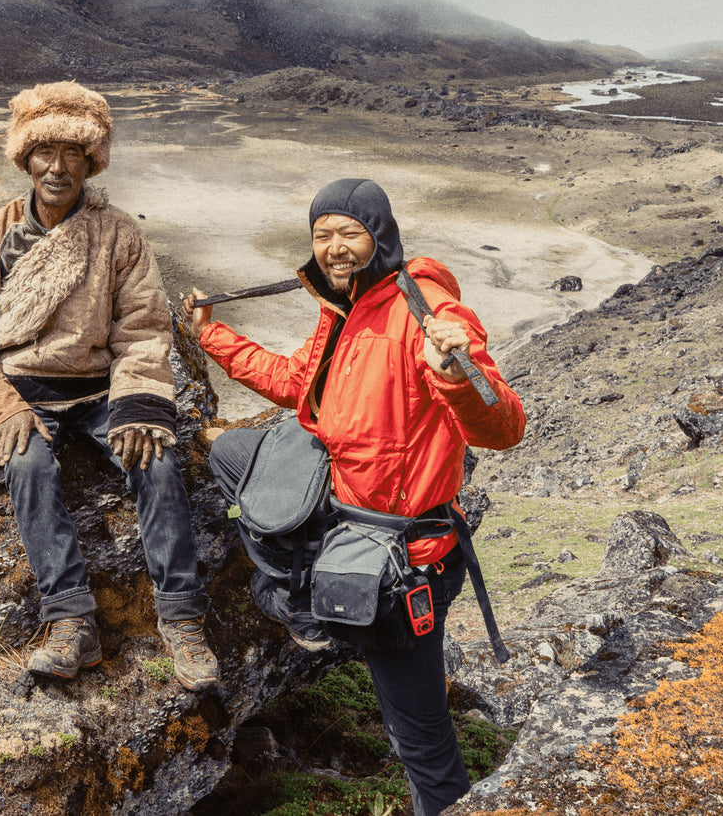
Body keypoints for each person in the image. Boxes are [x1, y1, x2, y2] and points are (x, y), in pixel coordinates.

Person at [186, 178, 525, 815]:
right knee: (234, 455)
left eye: (350, 232)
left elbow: (503, 427)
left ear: (382, 234)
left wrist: (453, 374)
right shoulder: (341, 306)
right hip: (342, 506)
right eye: (323, 235)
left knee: (418, 739)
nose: (335, 247)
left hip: (403, 551)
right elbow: (297, 383)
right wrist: (213, 336)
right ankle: (306, 601)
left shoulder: (426, 308)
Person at [0, 80, 217, 691]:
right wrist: (6, 406)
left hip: (98, 391)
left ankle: (183, 618)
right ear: (25, 158)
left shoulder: (118, 233)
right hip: (23, 388)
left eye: (73, 153)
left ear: (92, 160)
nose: (58, 167)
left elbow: (143, 328)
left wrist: (138, 405)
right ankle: (71, 622)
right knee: (28, 466)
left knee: (159, 463)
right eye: (45, 152)